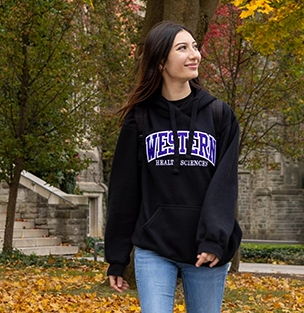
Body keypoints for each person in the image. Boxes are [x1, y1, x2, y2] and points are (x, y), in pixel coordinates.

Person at [103, 22, 243, 313]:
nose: (194, 55)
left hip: (206, 249)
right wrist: (117, 256)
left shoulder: (219, 115)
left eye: (194, 46)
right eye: (182, 48)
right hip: (155, 247)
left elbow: (224, 186)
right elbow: (124, 190)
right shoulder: (139, 119)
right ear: (161, 62)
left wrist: (213, 240)